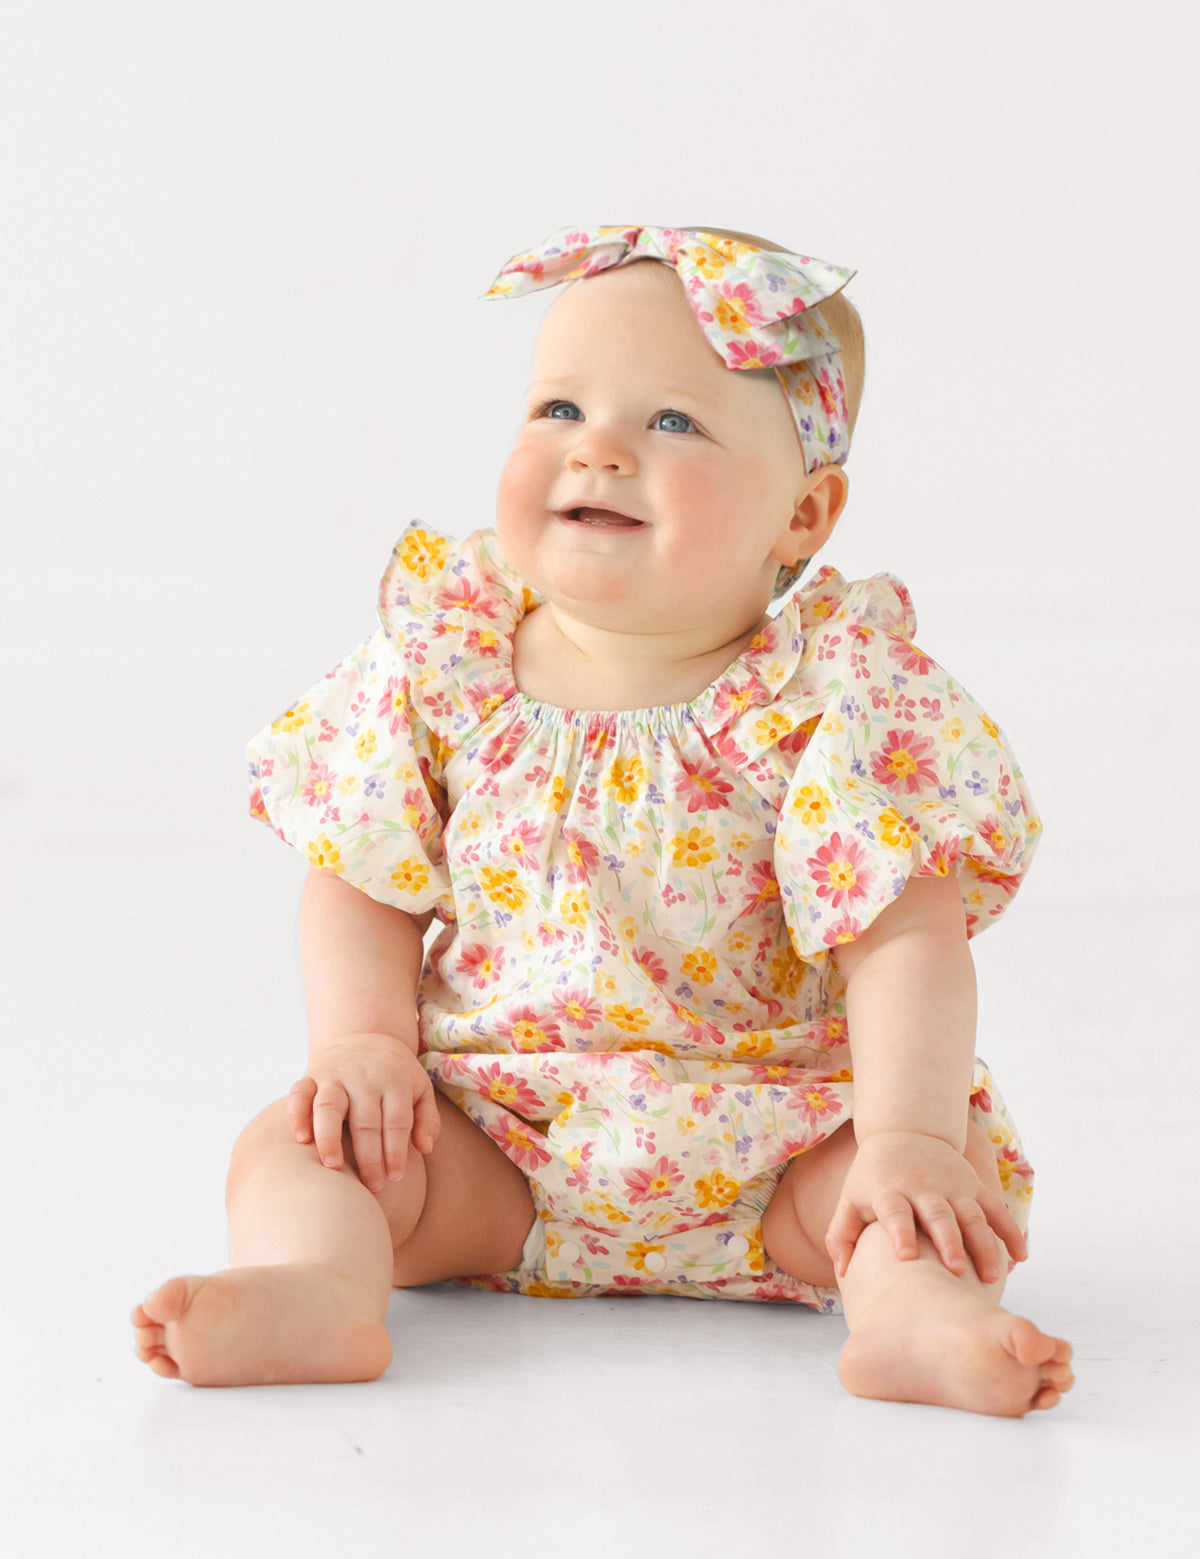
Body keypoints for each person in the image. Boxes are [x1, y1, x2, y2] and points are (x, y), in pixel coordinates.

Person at [132, 225, 1074, 1416]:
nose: (601, 451)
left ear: (806, 515)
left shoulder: (831, 693)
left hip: (778, 1146)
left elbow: (906, 934)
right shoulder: (447, 662)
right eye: (559, 408)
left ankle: (916, 1318)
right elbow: (361, 875)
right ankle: (312, 1281)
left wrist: (909, 1132)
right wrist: (365, 1046)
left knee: (921, 1190)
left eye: (673, 422)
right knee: (304, 1142)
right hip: (489, 1141)